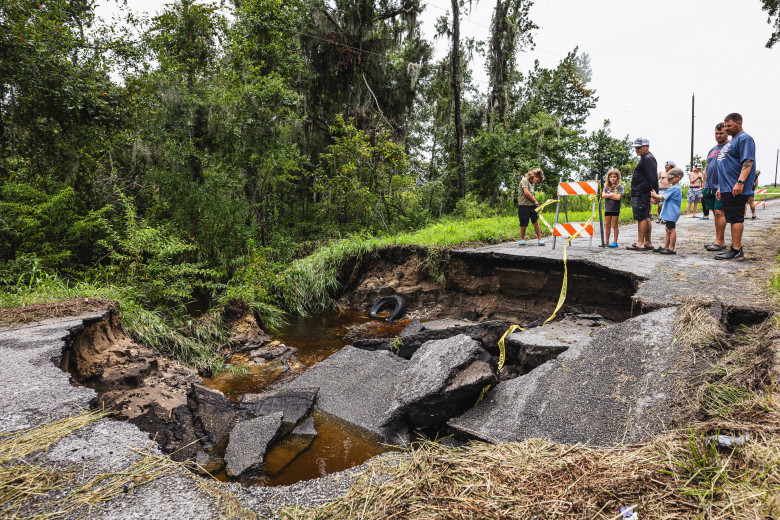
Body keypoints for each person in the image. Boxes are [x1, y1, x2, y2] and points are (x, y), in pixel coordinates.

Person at [715, 113, 756, 260]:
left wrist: (740, 182)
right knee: (732, 218)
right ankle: (734, 248)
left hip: (736, 187)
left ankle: (736, 249)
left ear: (739, 123)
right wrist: (721, 187)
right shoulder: (731, 142)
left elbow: (748, 161)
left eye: (729, 126)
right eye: (725, 126)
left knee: (736, 218)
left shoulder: (744, 139)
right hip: (726, 187)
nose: (726, 129)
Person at [626, 137, 658, 251]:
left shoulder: (648, 159)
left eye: (639, 147)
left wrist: (655, 194)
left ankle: (640, 243)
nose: (636, 150)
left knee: (641, 217)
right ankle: (648, 242)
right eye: (635, 148)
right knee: (645, 216)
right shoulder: (645, 158)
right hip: (641, 192)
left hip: (641, 192)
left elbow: (653, 178)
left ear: (646, 146)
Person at [702, 123, 729, 251]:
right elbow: (707, 168)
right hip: (709, 186)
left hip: (721, 186)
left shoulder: (729, 147)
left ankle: (719, 241)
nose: (718, 136)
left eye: (721, 133)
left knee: (720, 212)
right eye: (716, 133)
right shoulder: (712, 150)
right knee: (715, 213)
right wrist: (704, 186)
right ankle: (720, 240)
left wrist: (722, 185)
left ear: (727, 133)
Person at [650, 167, 683, 254]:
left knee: (671, 229)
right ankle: (665, 246)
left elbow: (663, 197)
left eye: (671, 178)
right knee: (668, 229)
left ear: (678, 178)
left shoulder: (674, 188)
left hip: (672, 212)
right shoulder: (675, 187)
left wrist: (654, 195)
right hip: (671, 212)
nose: (669, 179)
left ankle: (672, 248)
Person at [517, 168, 545, 246]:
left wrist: (534, 203)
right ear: (534, 176)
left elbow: (531, 194)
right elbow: (526, 193)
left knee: (536, 222)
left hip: (532, 206)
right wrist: (535, 200)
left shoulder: (532, 183)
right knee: (523, 224)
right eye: (537, 180)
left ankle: (540, 240)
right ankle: (522, 240)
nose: (537, 182)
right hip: (523, 206)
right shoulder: (524, 181)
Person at [602, 168, 623, 247]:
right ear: (608, 178)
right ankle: (606, 242)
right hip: (608, 209)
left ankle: (615, 242)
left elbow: (618, 198)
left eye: (614, 177)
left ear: (617, 177)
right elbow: (603, 195)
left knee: (615, 225)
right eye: (611, 177)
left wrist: (608, 196)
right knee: (607, 226)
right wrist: (612, 195)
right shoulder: (606, 187)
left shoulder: (619, 187)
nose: (613, 178)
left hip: (615, 209)